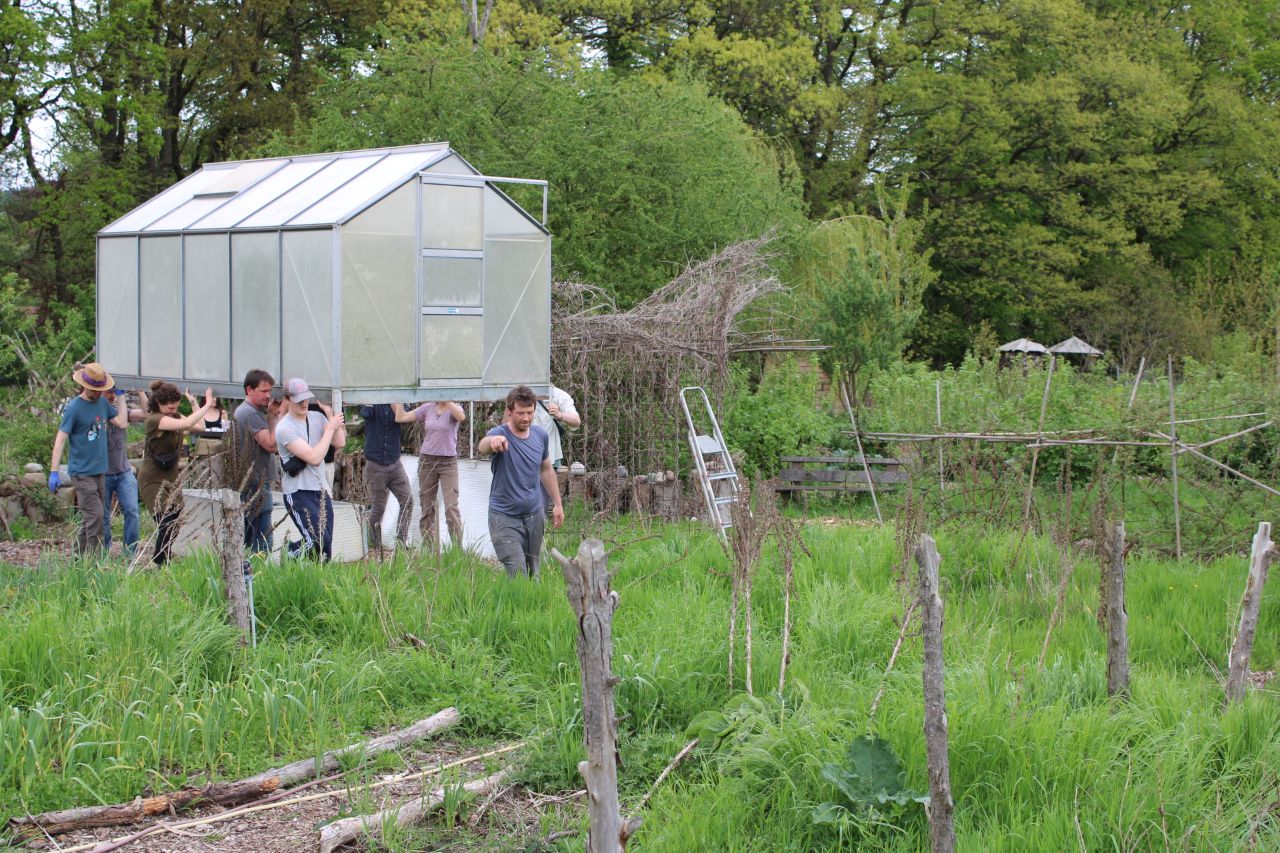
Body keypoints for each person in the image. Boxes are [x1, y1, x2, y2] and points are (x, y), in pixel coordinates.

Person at [477, 385, 564, 579]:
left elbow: (546, 469)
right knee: (518, 573)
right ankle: (516, 605)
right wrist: (492, 443)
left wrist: (557, 503)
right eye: (520, 413)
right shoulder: (499, 434)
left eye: (529, 412)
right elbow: (482, 447)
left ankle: (533, 608)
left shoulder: (540, 435)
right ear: (509, 412)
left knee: (534, 573)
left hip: (534, 515)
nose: (525, 418)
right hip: (504, 517)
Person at [139, 381, 217, 565]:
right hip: (152, 478)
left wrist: (193, 402)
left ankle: (163, 558)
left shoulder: (174, 416)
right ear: (158, 403)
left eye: (175, 406)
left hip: (170, 478)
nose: (172, 409)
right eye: (169, 407)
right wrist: (207, 404)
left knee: (176, 519)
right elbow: (188, 422)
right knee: (166, 520)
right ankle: (159, 562)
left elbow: (201, 427)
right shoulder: (156, 420)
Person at [49, 362, 116, 556]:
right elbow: (60, 440)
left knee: (93, 519)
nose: (97, 393)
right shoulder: (73, 408)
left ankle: (78, 559)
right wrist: (54, 472)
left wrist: (120, 397)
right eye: (94, 390)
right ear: (84, 385)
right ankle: (94, 562)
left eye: (100, 389)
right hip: (82, 472)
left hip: (100, 470)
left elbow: (120, 420)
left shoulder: (103, 403)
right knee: (96, 516)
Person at [276, 378, 345, 561]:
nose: (303, 403)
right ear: (287, 399)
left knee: (326, 545)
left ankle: (315, 580)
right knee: (316, 540)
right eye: (298, 399)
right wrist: (329, 429)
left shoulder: (317, 417)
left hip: (320, 489)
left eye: (306, 398)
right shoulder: (284, 428)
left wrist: (330, 417)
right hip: (298, 492)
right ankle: (289, 554)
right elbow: (314, 458)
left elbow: (340, 442)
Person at [394, 400, 465, 550]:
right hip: (427, 461)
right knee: (427, 506)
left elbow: (461, 417)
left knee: (451, 507)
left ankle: (457, 551)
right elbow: (400, 418)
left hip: (448, 463)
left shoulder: (454, 408)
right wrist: (399, 397)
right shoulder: (427, 408)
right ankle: (429, 549)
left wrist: (448, 400)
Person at [233, 369, 282, 555]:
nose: (268, 396)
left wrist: (271, 415)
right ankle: (259, 576)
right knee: (261, 539)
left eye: (270, 391)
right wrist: (277, 415)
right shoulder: (250, 414)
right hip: (256, 484)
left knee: (252, 534)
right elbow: (270, 444)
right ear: (249, 390)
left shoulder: (245, 411)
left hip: (252, 483)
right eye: (263, 391)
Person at [358, 403, 412, 555]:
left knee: (407, 501)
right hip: (375, 463)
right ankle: (375, 546)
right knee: (378, 506)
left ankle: (401, 542)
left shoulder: (400, 401)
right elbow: (365, 412)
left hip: (395, 462)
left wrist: (394, 401)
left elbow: (403, 418)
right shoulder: (372, 398)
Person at [102, 387, 146, 558]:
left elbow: (146, 414)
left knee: (132, 511)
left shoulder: (121, 411)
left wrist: (140, 391)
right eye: (108, 392)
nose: (112, 395)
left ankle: (129, 554)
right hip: (102, 473)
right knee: (103, 516)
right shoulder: (96, 412)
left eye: (114, 392)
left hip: (123, 471)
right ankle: (104, 552)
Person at [533, 384, 581, 469]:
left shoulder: (558, 395)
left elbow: (576, 421)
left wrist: (559, 414)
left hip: (550, 454)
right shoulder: (518, 394)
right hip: (523, 453)